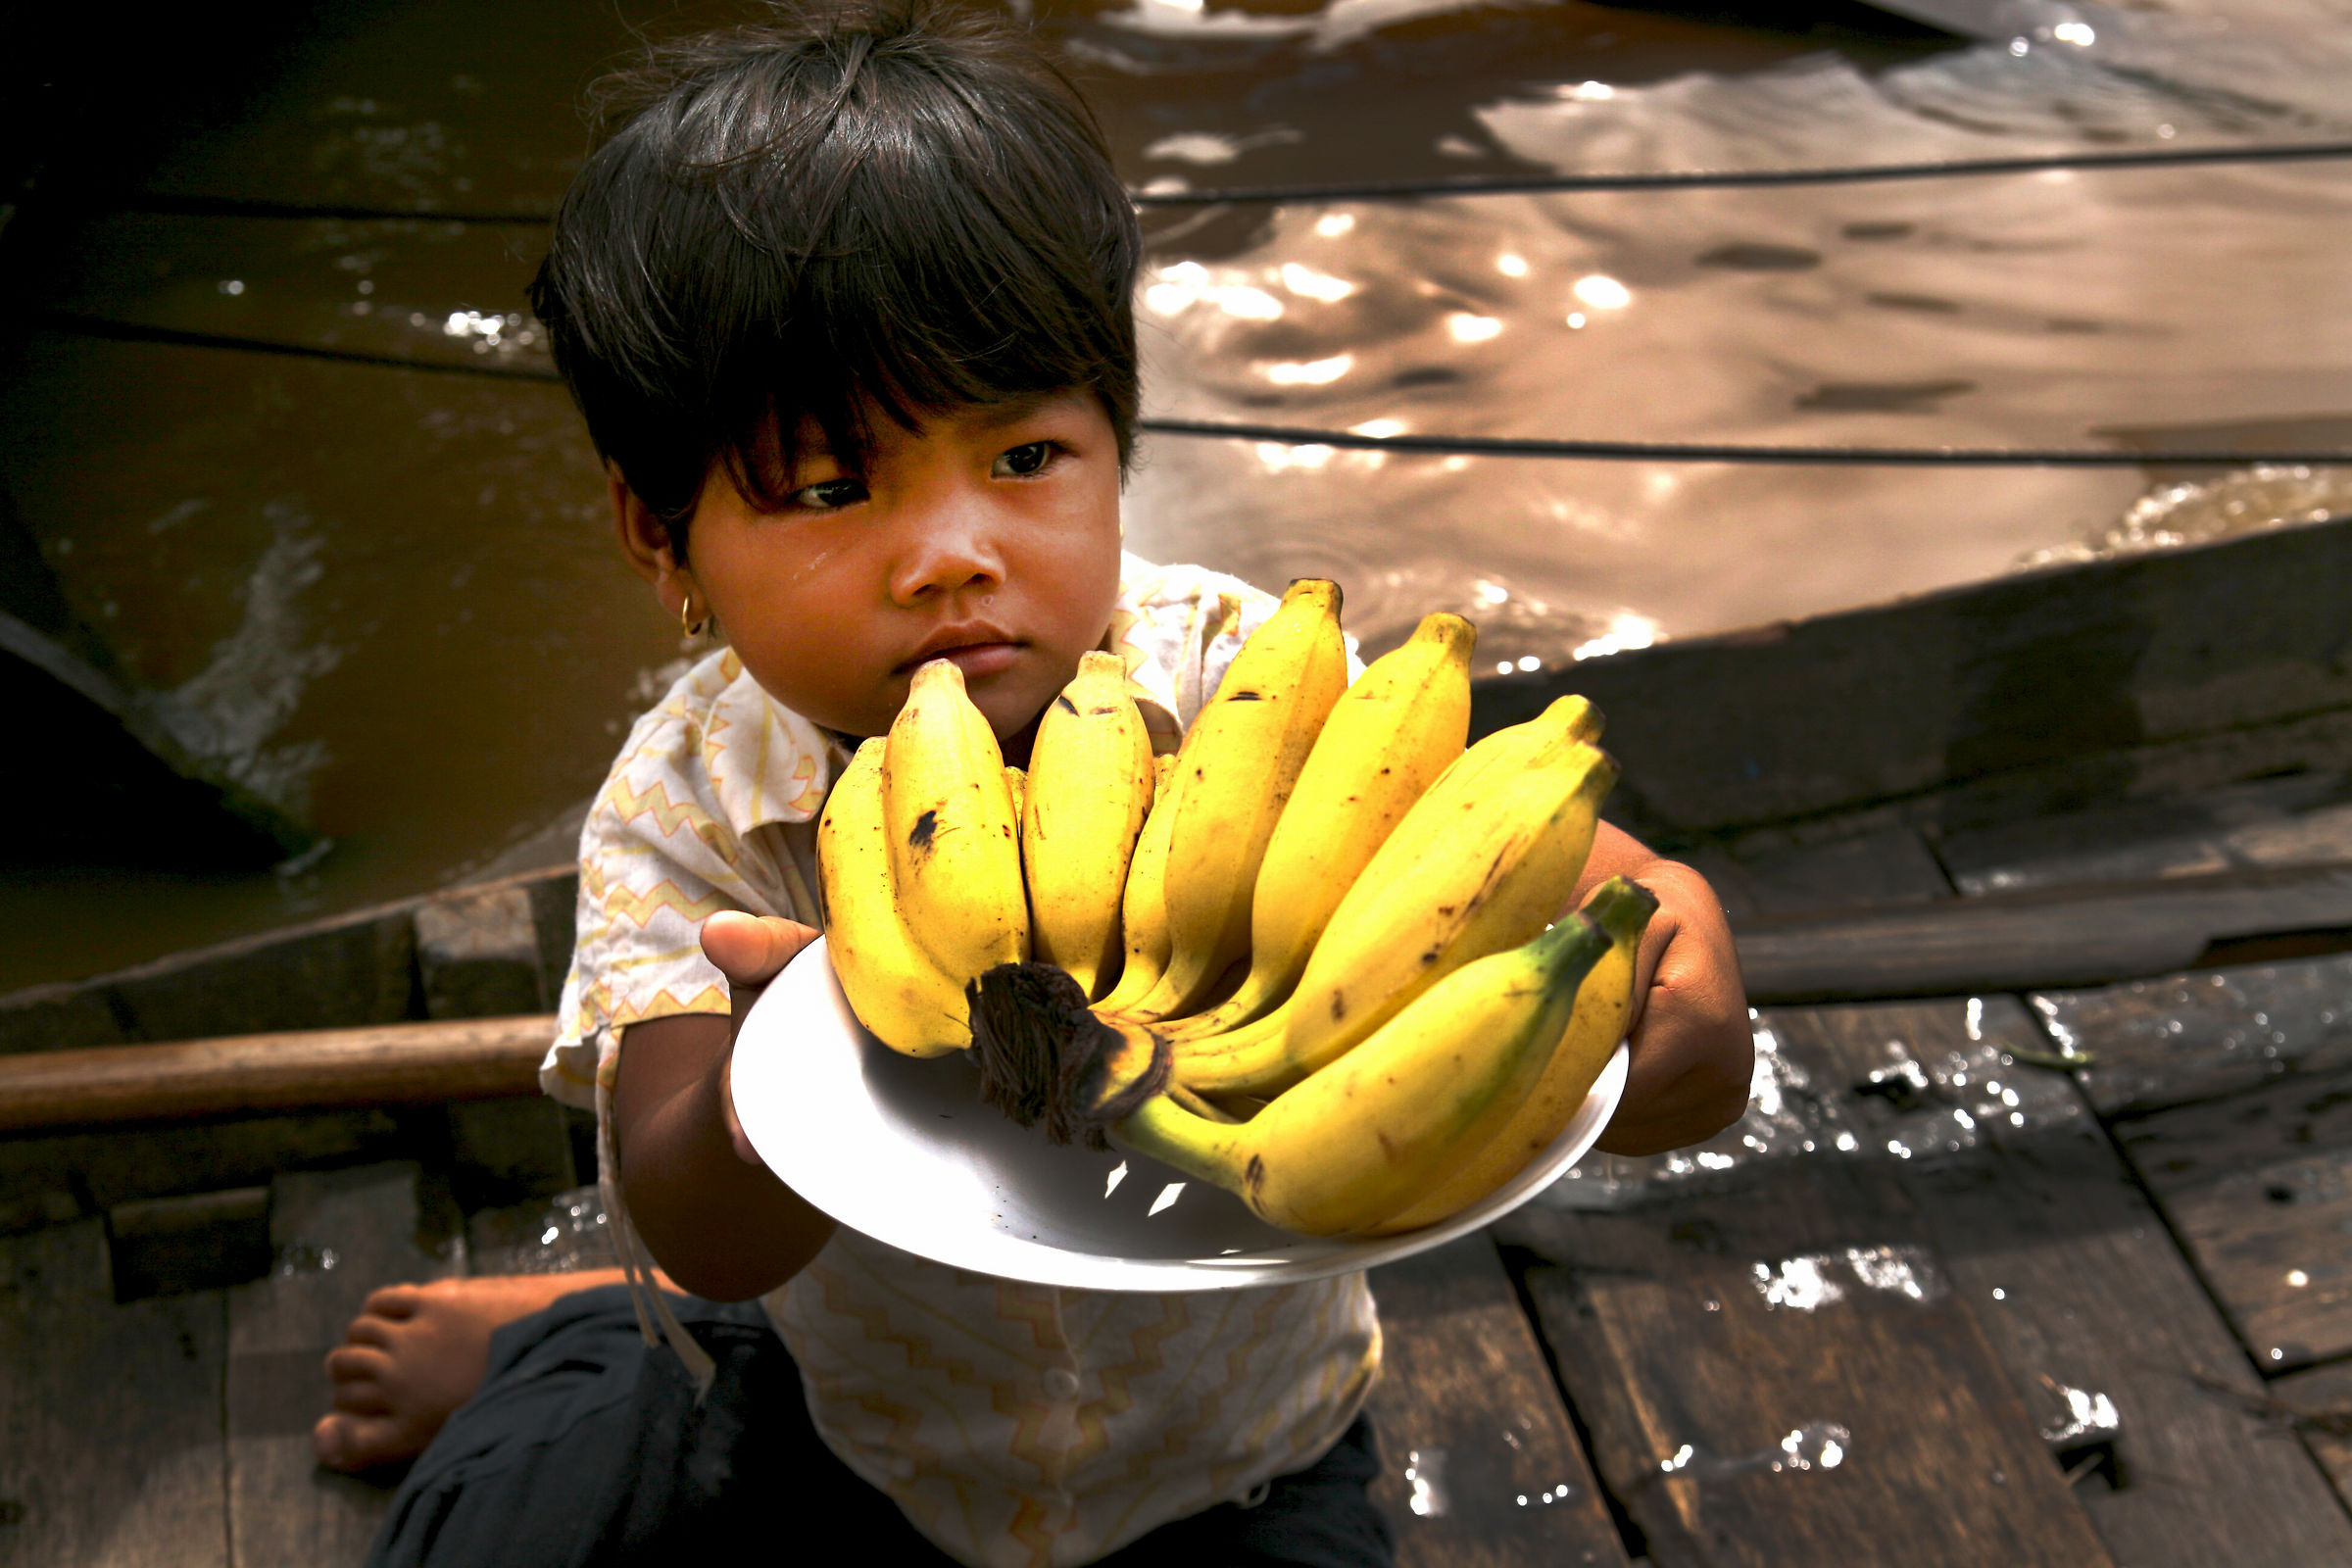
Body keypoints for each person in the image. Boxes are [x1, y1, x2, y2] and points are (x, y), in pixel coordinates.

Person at [312, 5, 1753, 1564]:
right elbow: (707, 1237)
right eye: (832, 487)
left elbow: (1532, 886)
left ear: (1117, 445)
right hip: (869, 1442)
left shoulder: (1239, 682)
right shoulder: (695, 813)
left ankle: (563, 1319)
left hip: (1254, 1455)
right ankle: (574, 1330)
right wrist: (770, 1092)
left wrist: (1672, 980)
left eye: (1023, 460)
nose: (951, 554)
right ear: (659, 539)